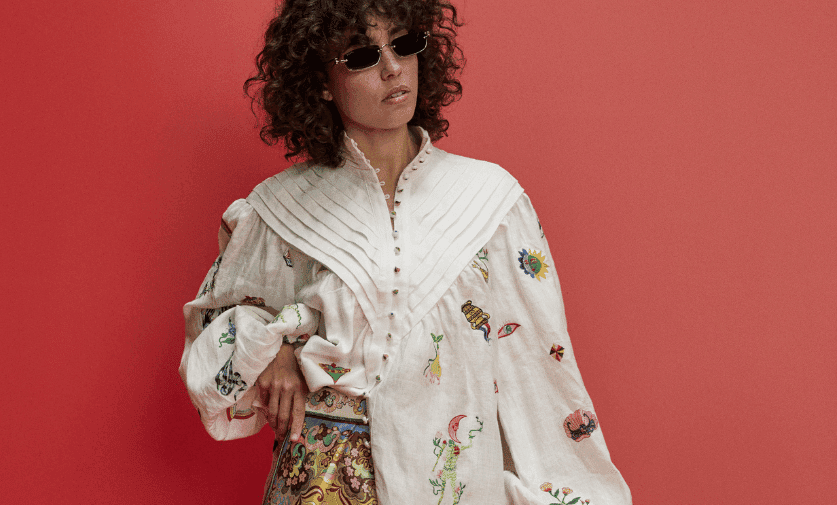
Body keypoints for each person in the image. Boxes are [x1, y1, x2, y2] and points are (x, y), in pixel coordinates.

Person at [179, 0, 632, 503]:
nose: (393, 68)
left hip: (449, 482)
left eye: (404, 44)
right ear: (322, 82)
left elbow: (539, 367)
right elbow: (214, 324)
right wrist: (273, 351)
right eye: (361, 56)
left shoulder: (491, 202)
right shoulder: (281, 207)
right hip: (317, 484)